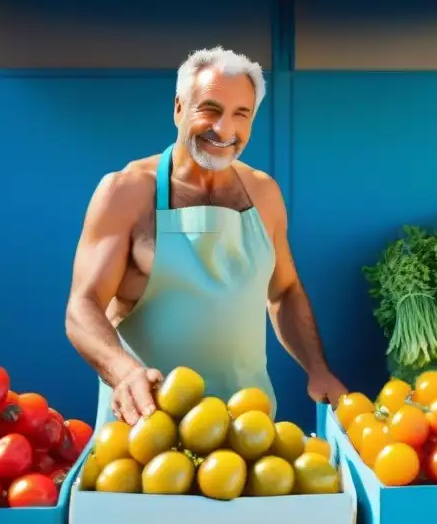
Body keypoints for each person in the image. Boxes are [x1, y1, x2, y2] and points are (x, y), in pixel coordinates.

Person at [65, 47, 347, 426]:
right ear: (179, 108)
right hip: (147, 428)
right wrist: (123, 371)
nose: (224, 130)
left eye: (240, 114)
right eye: (209, 109)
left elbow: (285, 292)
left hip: (248, 429)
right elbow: (83, 307)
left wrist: (317, 368)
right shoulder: (126, 192)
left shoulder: (264, 194)